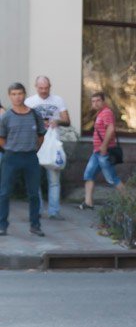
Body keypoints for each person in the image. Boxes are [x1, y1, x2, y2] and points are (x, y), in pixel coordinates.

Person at [0, 83, 47, 236]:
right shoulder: (6, 117)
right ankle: (2, 225)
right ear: (9, 96)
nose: (17, 97)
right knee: (4, 193)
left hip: (30, 157)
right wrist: (10, 149)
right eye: (13, 94)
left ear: (24, 94)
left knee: (33, 194)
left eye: (19, 93)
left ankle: (35, 225)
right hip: (11, 158)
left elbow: (41, 135)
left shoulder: (34, 115)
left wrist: (34, 149)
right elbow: (1, 138)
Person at [26, 75, 71, 220]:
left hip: (53, 145)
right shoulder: (29, 102)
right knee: (35, 180)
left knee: (54, 181)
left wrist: (57, 121)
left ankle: (54, 211)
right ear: (36, 87)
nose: (44, 91)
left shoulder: (58, 100)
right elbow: (24, 121)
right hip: (35, 145)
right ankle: (37, 210)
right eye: (41, 88)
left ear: (50, 87)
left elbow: (67, 120)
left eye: (46, 88)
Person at [80, 92, 124, 209]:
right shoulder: (100, 113)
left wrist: (104, 146)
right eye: (93, 101)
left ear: (103, 101)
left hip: (104, 151)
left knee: (112, 178)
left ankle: (131, 202)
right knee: (88, 175)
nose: (95, 103)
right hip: (97, 152)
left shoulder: (106, 112)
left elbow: (111, 128)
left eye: (98, 101)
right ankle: (88, 202)